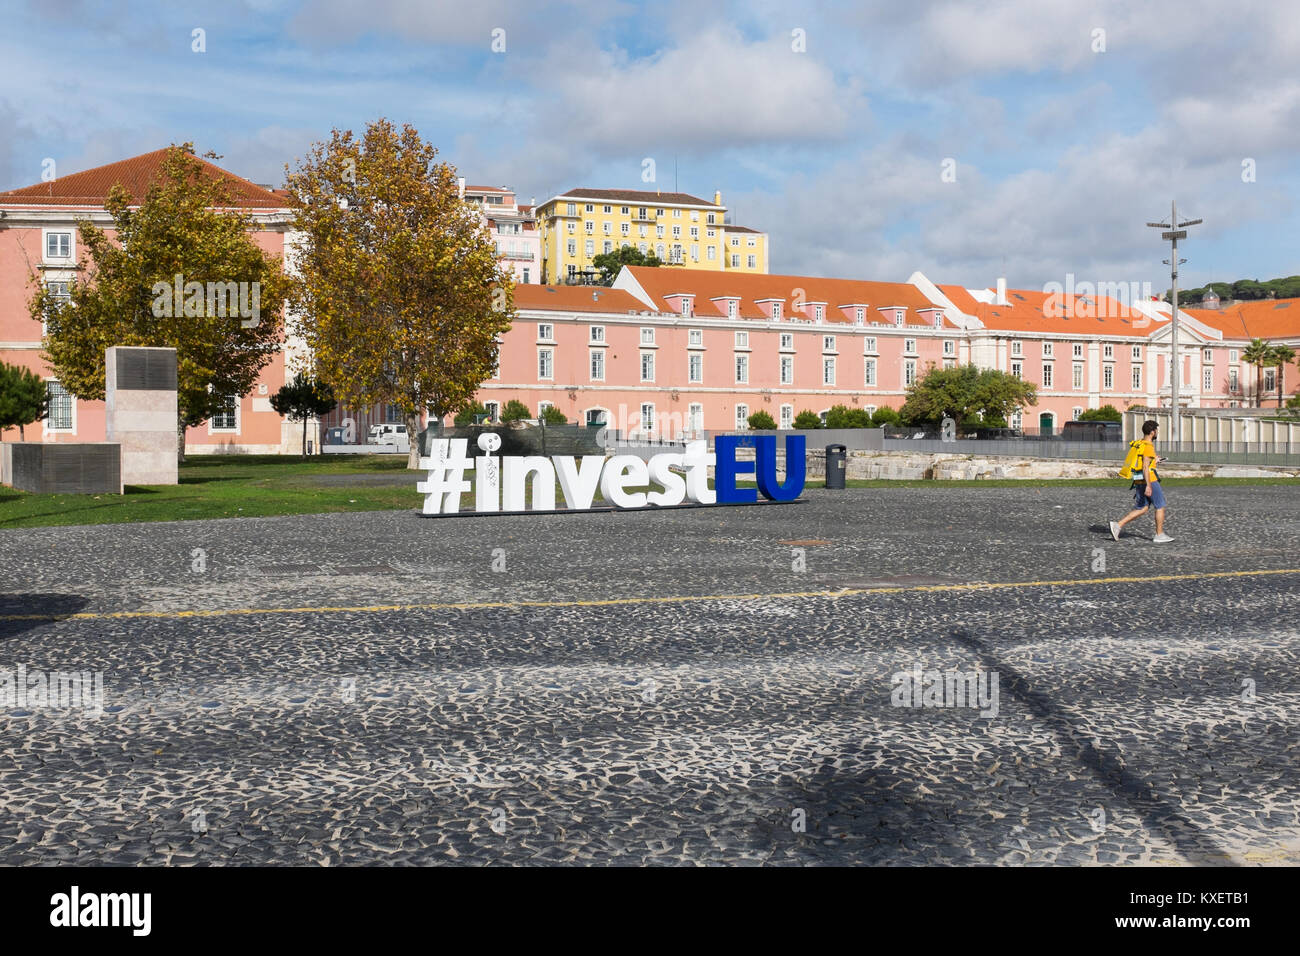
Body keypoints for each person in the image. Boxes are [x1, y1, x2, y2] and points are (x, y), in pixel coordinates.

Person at [1110, 420, 1172, 543]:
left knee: (1143, 507)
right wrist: (1149, 486)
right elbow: (1145, 467)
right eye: (1156, 431)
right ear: (1152, 432)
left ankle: (1117, 525)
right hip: (1149, 479)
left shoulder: (1140, 443)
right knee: (1160, 505)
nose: (1157, 433)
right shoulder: (1148, 446)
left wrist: (1155, 461)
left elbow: (1143, 462)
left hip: (1138, 478)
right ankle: (1159, 535)